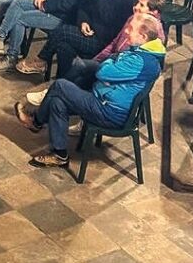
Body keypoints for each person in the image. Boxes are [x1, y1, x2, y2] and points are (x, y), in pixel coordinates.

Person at [15, 14, 164, 168]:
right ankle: (59, 154)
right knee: (57, 101)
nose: (126, 31)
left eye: (131, 29)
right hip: (105, 101)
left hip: (109, 112)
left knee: (60, 85)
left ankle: (37, 122)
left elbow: (103, 72)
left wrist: (110, 65)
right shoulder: (143, 52)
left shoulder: (139, 61)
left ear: (143, 36)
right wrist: (111, 63)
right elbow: (111, 60)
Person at [16, 0, 137, 77]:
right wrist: (83, 21)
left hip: (102, 40)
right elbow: (84, 2)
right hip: (88, 28)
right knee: (63, 46)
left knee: (62, 31)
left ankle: (41, 60)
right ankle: (61, 82)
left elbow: (108, 18)